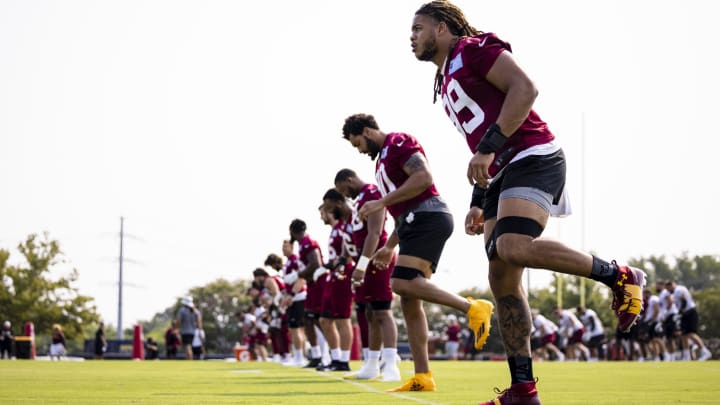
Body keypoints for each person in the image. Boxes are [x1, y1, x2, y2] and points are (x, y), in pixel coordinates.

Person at [409, 2, 647, 402]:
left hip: (533, 155)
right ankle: (523, 389)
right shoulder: (444, 75)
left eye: (418, 28)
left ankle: (619, 275)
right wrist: (478, 198)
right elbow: (480, 136)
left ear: (444, 28)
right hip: (501, 171)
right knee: (501, 278)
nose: (411, 36)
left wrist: (486, 152)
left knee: (512, 246)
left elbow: (526, 89)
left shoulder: (474, 48)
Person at [342, 113, 494, 392]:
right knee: (409, 300)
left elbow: (423, 178)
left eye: (358, 143)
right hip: (413, 221)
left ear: (366, 131)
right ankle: (422, 376)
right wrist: (389, 247)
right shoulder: (381, 161)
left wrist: (380, 203)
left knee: (400, 282)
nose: (360, 151)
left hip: (429, 216)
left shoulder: (398, 142)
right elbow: (402, 210)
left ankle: (473, 308)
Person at [334, 168, 401, 381]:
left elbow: (374, 233)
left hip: (377, 259)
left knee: (382, 310)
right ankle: (372, 362)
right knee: (370, 312)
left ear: (350, 179)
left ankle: (391, 362)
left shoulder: (372, 192)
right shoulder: (360, 199)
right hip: (365, 259)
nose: (344, 194)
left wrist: (362, 264)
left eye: (344, 189)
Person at [315, 190, 355, 372]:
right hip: (332, 277)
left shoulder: (343, 227)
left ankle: (343, 360)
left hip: (342, 276)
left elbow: (348, 255)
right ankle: (336, 357)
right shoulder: (335, 231)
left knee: (342, 318)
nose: (322, 216)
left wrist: (332, 265)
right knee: (325, 319)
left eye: (324, 211)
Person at [291, 218, 329, 369]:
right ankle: (317, 355)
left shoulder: (308, 242)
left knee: (320, 320)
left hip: (318, 284)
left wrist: (298, 275)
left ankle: (330, 353)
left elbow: (316, 263)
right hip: (312, 285)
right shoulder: (302, 244)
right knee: (308, 319)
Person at [278, 239, 309, 367]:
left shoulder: (295, 260)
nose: (283, 249)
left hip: (299, 297)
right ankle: (297, 355)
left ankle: (299, 357)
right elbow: (287, 283)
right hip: (292, 299)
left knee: (296, 329)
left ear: (292, 247)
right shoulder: (287, 263)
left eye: (286, 246)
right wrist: (285, 297)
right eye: (282, 246)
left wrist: (292, 295)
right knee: (293, 329)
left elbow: (301, 278)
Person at [665, 280, 712, 361]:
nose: (668, 291)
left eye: (668, 288)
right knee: (683, 335)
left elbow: (684, 300)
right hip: (685, 313)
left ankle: (705, 351)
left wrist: (681, 311)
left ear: (671, 285)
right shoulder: (677, 290)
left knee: (690, 333)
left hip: (689, 312)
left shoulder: (678, 290)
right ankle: (687, 356)